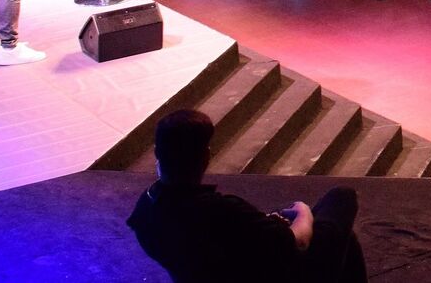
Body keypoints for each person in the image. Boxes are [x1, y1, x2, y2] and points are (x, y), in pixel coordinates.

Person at [127, 109, 366, 283]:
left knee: (346, 239)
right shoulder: (222, 209)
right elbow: (299, 242)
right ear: (205, 157)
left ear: (157, 152)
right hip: (279, 273)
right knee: (341, 199)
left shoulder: (144, 211)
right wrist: (302, 210)